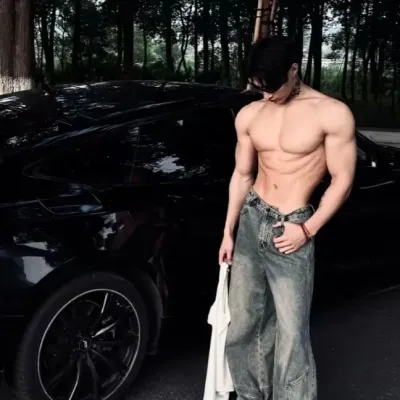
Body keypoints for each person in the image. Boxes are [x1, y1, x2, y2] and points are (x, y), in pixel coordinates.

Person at [218, 36, 357, 400]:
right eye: (259, 88)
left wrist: (307, 229)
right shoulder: (251, 114)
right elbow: (242, 175)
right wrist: (228, 231)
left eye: (272, 88)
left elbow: (342, 180)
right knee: (243, 324)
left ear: (293, 71)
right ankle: (250, 395)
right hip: (251, 218)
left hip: (292, 226)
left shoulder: (331, 113)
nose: (266, 96)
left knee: (291, 333)